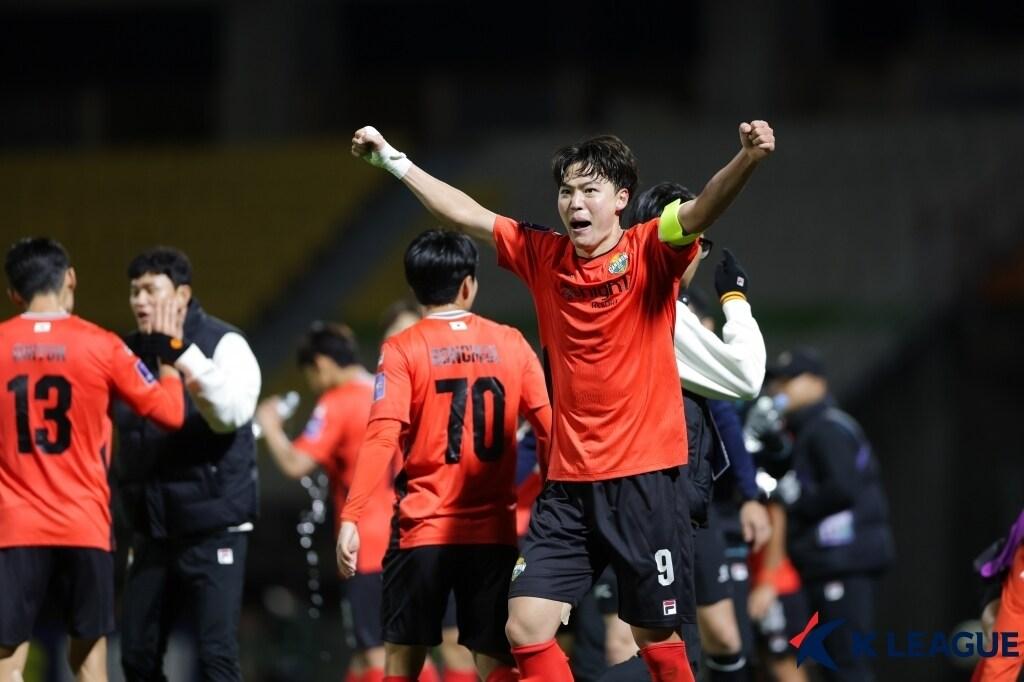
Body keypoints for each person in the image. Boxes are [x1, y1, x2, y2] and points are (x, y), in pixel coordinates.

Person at [350, 119, 775, 682]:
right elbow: (464, 214)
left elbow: (700, 211)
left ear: (622, 199)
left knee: (654, 634)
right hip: (570, 487)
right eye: (567, 191)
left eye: (590, 190)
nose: (575, 203)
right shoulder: (543, 254)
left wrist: (745, 158)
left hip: (646, 480)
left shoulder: (650, 249)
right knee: (523, 625)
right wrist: (393, 160)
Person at [337, 230, 552, 682]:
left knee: (401, 660)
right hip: (493, 532)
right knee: (494, 658)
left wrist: (351, 517)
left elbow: (381, 437)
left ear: (415, 290)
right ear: (469, 284)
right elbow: (550, 428)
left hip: (422, 530)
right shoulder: (511, 342)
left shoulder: (401, 349)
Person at [588, 182, 771, 682]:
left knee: (677, 641)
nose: (696, 253)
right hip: (652, 493)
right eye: (693, 237)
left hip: (657, 491)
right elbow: (744, 378)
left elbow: (720, 408)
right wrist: (735, 299)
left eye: (702, 240)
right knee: (653, 644)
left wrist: (748, 490)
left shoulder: (623, 289)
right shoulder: (654, 304)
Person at [0, 238, 185, 682]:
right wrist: (168, 360)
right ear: (70, 279)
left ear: (14, 295)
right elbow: (171, 414)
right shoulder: (101, 345)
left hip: (14, 526)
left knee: (7, 662)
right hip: (83, 525)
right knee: (88, 661)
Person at [113, 247, 262, 682]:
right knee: (137, 657)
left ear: (182, 294)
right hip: (152, 528)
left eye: (151, 290)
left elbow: (230, 414)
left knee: (217, 657)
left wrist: (179, 353)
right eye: (134, 291)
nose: (140, 301)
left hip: (214, 526)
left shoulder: (224, 343)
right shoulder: (124, 352)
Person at [256, 322, 395, 682]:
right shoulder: (388, 391)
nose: (313, 385)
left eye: (310, 376)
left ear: (321, 364)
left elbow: (294, 464)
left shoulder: (338, 401)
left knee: (375, 652)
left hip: (365, 546)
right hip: (410, 537)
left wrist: (270, 425)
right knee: (404, 649)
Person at [766, 347, 894, 682]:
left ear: (818, 383)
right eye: (777, 381)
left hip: (843, 560)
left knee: (847, 666)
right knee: (833, 665)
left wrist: (791, 504)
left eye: (789, 380)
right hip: (829, 562)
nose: (780, 389)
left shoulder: (827, 428)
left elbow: (842, 488)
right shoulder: (807, 430)